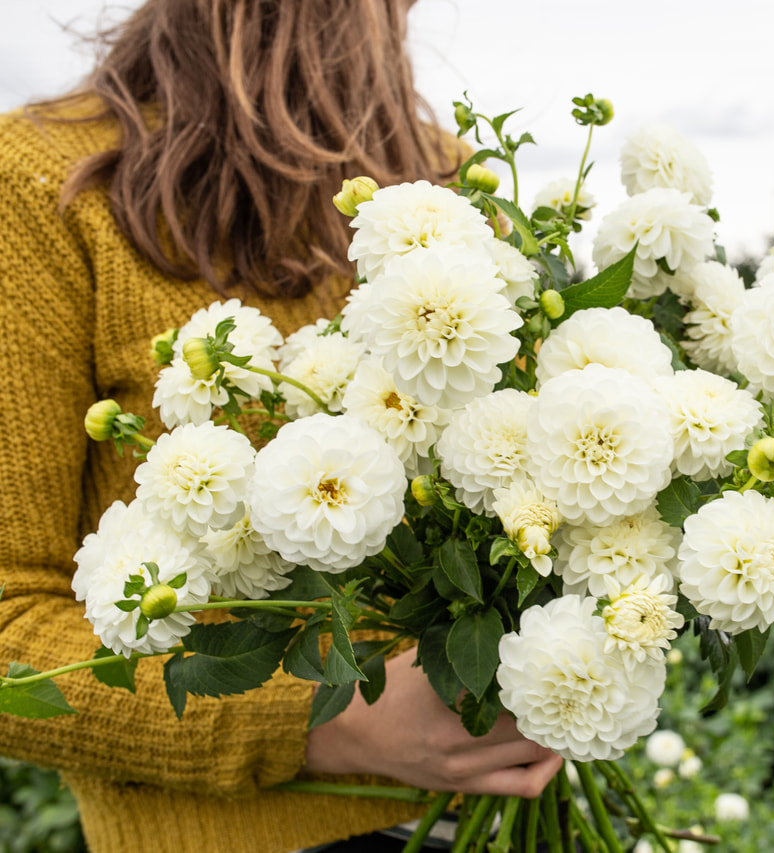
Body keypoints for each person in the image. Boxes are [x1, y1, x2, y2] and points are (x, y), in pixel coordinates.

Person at [0, 2, 561, 851]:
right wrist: (321, 722)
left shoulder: (451, 181)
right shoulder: (43, 185)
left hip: (516, 819)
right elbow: (10, 630)